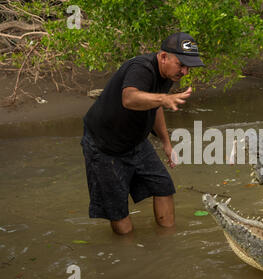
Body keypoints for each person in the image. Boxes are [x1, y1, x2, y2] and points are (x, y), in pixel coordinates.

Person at [80, 32, 205, 235]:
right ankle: (128, 253)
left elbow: (154, 106)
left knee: (163, 186)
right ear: (164, 56)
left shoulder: (168, 74)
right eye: (181, 64)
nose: (185, 72)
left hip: (136, 141)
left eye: (188, 67)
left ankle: (167, 241)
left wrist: (166, 142)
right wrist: (163, 100)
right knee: (118, 209)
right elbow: (129, 98)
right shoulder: (141, 68)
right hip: (105, 145)